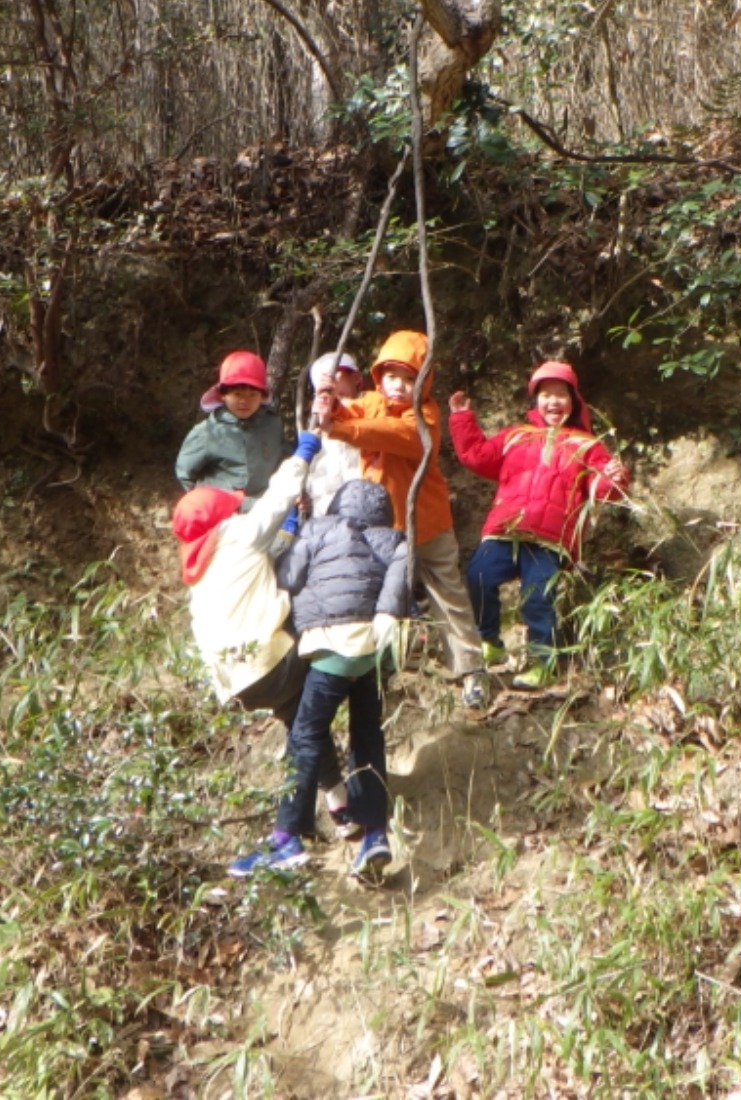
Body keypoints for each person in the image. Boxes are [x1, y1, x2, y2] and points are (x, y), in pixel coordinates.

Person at [228, 479, 413, 880]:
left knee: (307, 734)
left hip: (331, 644)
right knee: (367, 736)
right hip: (374, 653)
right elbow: (400, 590)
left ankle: (288, 835)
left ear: (340, 506)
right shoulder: (398, 541)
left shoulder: (320, 529)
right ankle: (375, 834)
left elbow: (288, 578)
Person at [173, 430, 352, 838]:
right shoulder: (234, 535)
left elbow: (268, 548)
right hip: (273, 664)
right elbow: (276, 498)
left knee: (304, 727)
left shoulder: (202, 567)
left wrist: (288, 524)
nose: (239, 513)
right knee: (313, 711)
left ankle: (339, 803)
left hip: (241, 686)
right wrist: (304, 451)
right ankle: (297, 824)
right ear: (221, 520)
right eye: (232, 509)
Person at [317, 330, 491, 709]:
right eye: (392, 376)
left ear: (424, 382)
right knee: (383, 601)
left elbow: (399, 435)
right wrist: (328, 402)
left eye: (410, 378)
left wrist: (341, 427)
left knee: (449, 598)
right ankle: (385, 674)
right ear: (379, 376)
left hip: (427, 525)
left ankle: (470, 672)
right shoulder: (370, 402)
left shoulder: (425, 414)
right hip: (382, 529)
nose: (399, 386)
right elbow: (346, 413)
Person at [448, 361, 630, 690]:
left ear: (574, 401)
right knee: (478, 573)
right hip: (505, 529)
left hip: (550, 540)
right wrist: (462, 418)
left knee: (537, 599)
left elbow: (602, 491)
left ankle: (544, 664)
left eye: (562, 395)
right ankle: (488, 639)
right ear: (536, 400)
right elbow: (476, 456)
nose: (554, 402)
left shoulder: (587, 445)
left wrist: (615, 479)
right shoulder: (515, 436)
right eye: (546, 394)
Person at [175, 349, 286, 502]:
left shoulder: (272, 425)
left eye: (252, 395)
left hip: (261, 511)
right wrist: (205, 502)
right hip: (222, 513)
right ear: (223, 395)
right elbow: (185, 472)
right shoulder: (208, 432)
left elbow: (283, 458)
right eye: (237, 394)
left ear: (262, 396)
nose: (244, 401)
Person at [302, 351, 368, 518]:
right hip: (326, 513)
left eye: (337, 377)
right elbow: (311, 471)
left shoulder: (372, 414)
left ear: (357, 378)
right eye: (324, 385)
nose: (334, 388)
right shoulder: (316, 430)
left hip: (365, 507)